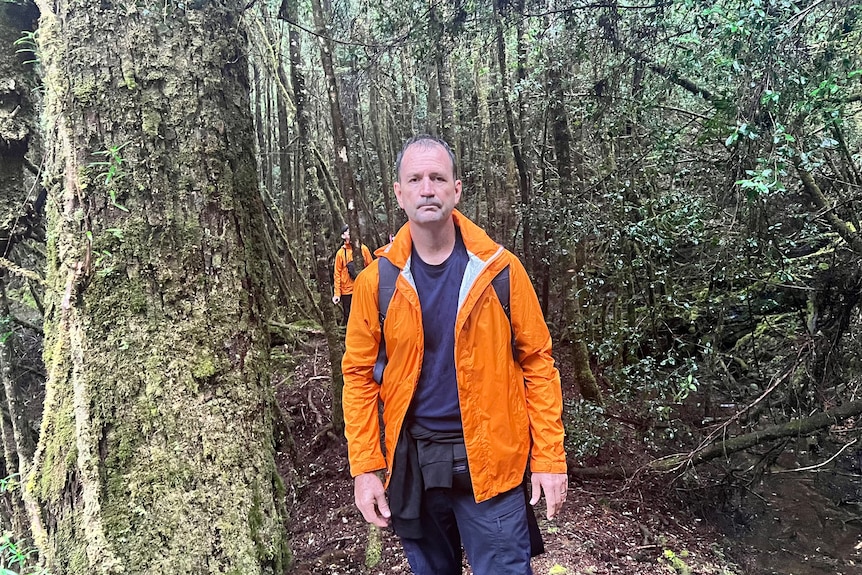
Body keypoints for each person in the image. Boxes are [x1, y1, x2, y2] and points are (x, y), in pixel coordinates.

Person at [342, 135, 567, 575]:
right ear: (399, 192)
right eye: (416, 179)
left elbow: (538, 364)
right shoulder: (376, 282)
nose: (428, 188)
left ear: (456, 189)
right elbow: (358, 376)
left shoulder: (500, 270)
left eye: (438, 178)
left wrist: (549, 459)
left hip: (493, 469)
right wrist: (366, 468)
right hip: (416, 467)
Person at [332, 224, 373, 324]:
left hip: (362, 290)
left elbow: (372, 268)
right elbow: (337, 274)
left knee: (365, 316)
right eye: (347, 231)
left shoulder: (363, 249)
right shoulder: (340, 253)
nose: (350, 233)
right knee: (350, 319)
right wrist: (337, 294)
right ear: (343, 236)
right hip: (347, 292)